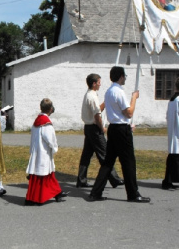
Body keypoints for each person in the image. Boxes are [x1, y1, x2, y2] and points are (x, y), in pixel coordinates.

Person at [89, 66, 150, 203]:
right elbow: (128, 112)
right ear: (121, 76)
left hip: (113, 128)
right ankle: (133, 194)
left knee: (108, 162)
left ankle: (95, 192)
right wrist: (134, 98)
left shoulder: (109, 91)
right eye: (125, 76)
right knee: (128, 162)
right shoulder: (119, 92)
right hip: (122, 129)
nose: (125, 78)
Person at [77, 73, 124, 188]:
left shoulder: (89, 94)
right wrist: (101, 128)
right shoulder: (92, 96)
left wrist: (106, 101)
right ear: (94, 83)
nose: (100, 84)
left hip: (88, 128)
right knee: (105, 154)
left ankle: (81, 180)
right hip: (94, 129)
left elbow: (98, 109)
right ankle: (114, 179)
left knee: (86, 155)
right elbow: (97, 116)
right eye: (99, 82)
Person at [25, 98, 68, 206]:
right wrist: (54, 147)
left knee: (46, 175)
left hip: (37, 152)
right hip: (43, 153)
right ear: (50, 109)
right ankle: (36, 198)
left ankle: (57, 193)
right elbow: (50, 138)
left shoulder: (36, 122)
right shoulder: (46, 123)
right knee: (42, 175)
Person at [162, 77, 179, 190]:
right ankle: (168, 181)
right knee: (174, 156)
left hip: (174, 130)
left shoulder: (173, 99)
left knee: (173, 155)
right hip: (177, 131)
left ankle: (167, 181)